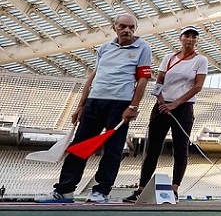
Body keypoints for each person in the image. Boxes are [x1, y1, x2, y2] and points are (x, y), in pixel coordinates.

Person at [36, 13, 152, 203]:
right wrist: (81, 104)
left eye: (131, 27)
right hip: (95, 102)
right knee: (79, 146)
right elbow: (93, 76)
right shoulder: (105, 48)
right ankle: (64, 190)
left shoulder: (142, 48)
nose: (127, 30)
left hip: (120, 103)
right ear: (114, 27)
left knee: (113, 149)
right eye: (123, 26)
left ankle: (101, 191)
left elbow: (142, 79)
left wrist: (134, 105)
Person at [124, 26, 208, 203]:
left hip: (183, 108)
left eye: (194, 37)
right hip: (162, 106)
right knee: (153, 148)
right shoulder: (169, 58)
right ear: (180, 38)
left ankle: (175, 188)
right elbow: (159, 80)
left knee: (180, 148)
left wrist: (176, 103)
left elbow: (197, 86)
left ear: (196, 41)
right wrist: (162, 101)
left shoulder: (200, 60)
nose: (190, 39)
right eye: (187, 36)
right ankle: (141, 189)